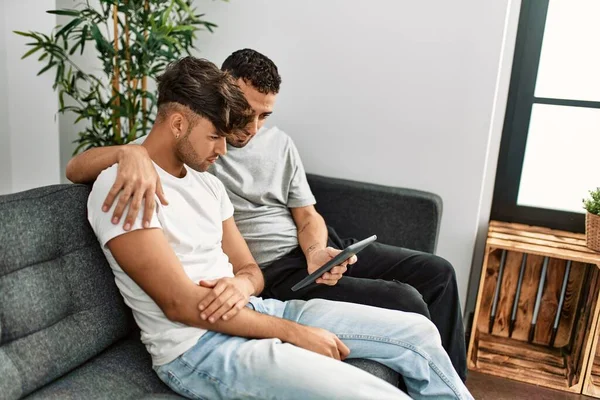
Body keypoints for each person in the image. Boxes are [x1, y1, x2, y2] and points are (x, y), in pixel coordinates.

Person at [86, 55, 472, 399]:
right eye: (216, 136)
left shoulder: (207, 183)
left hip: (257, 307)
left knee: (418, 335)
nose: (223, 150)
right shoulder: (127, 185)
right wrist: (293, 334)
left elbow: (250, 269)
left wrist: (240, 284)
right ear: (178, 123)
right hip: (199, 348)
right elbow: (181, 305)